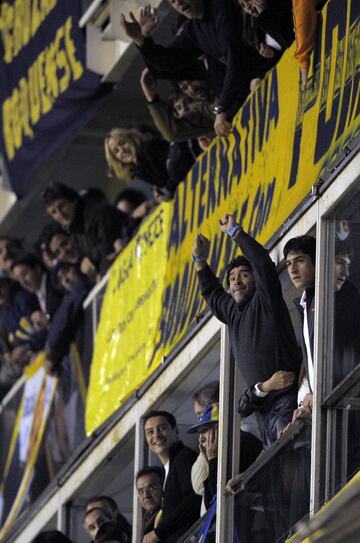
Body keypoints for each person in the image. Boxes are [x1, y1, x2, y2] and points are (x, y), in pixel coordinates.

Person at [193, 213, 301, 445]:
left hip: (287, 401)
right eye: (231, 278)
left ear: (256, 280)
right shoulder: (232, 313)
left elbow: (262, 263)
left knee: (291, 457)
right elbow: (212, 292)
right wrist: (200, 259)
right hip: (263, 411)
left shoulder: (266, 301)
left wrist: (235, 232)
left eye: (244, 275)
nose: (236, 281)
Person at [121, 1, 270, 137]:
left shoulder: (222, 8)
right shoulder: (194, 30)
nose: (178, 3)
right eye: (172, 1)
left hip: (265, 71)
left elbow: (236, 59)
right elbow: (168, 62)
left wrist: (222, 109)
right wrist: (142, 40)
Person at [188, 403, 262, 509]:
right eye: (200, 433)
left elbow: (219, 495)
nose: (201, 438)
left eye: (205, 430)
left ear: (221, 427)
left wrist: (212, 458)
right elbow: (210, 504)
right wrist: (209, 461)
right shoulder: (223, 451)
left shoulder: (242, 442)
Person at [142, 410, 201, 542]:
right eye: (150, 432)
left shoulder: (183, 457)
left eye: (162, 428)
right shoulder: (165, 470)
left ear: (175, 431)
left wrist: (158, 532)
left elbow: (193, 499)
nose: (156, 435)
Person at [11, 254, 63, 319]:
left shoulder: (55, 282)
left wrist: (47, 318)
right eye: (19, 279)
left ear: (38, 269)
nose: (23, 282)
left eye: (24, 274)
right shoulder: (35, 295)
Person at [136, 466, 164, 536]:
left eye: (152, 488)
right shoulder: (145, 518)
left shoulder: (168, 514)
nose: (146, 496)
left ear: (163, 487)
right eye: (140, 491)